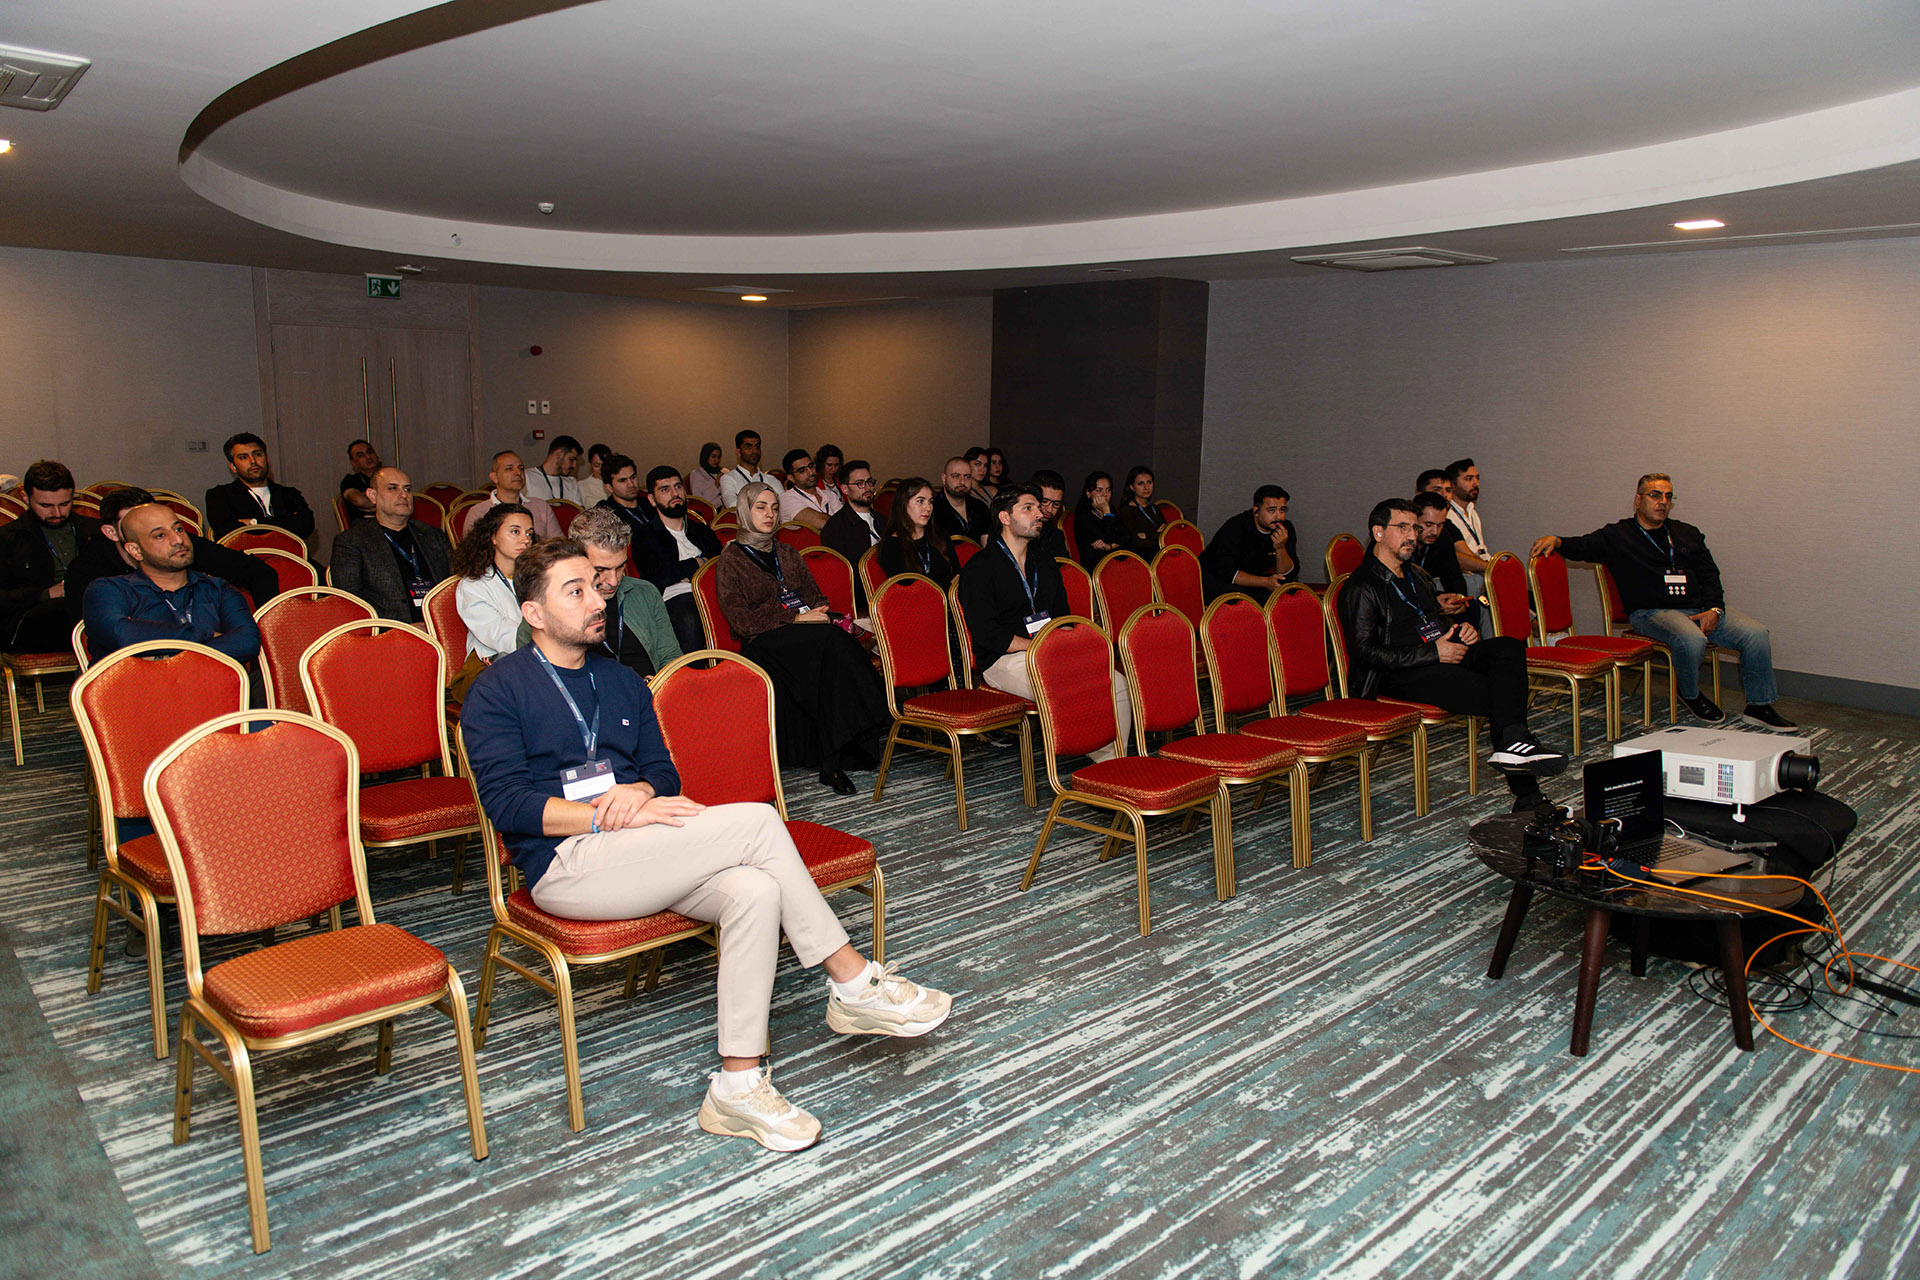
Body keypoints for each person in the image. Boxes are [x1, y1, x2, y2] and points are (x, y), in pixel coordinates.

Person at [461, 538, 949, 1153]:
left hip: (642, 848)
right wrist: (604, 814)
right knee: (758, 823)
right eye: (576, 591)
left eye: (597, 585)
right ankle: (852, 981)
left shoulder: (621, 680)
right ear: (533, 612)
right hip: (567, 864)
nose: (598, 600)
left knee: (755, 889)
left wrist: (640, 793)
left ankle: (737, 1086)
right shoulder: (499, 690)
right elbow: (507, 804)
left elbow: (663, 775)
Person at [1339, 499, 1565, 808]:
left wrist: (1459, 630)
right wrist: (1433, 653)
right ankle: (1528, 793)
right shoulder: (1361, 586)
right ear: (1378, 533)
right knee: (1498, 693)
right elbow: (1365, 653)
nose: (1412, 536)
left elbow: (1431, 621)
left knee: (1508, 647)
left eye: (1414, 528)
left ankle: (1514, 742)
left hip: (1439, 653)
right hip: (1395, 673)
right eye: (1402, 528)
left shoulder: (1416, 576)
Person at [1530, 473, 1795, 729]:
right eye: (1655, 495)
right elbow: (1582, 546)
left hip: (1698, 609)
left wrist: (1714, 609)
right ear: (1638, 500)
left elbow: (1709, 575)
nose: (1663, 502)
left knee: (1756, 634)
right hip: (1651, 612)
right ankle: (1690, 694)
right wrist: (1557, 540)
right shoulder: (1619, 535)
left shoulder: (1687, 533)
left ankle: (1759, 706)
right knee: (1692, 639)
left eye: (1668, 496)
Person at [716, 483, 890, 794]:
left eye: (774, 508)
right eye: (760, 507)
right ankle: (876, 711)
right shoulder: (731, 560)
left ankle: (833, 759)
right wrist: (795, 617)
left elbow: (815, 596)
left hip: (805, 636)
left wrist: (815, 611)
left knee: (831, 646)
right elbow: (741, 621)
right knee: (833, 643)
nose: (770, 514)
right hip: (763, 641)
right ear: (743, 511)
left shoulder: (786, 552)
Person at [960, 485, 1132, 761]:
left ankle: (1115, 762)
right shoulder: (980, 568)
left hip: (1050, 653)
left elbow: (1062, 617)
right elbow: (988, 634)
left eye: (1038, 508)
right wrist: (1040, 647)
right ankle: (1107, 764)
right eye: (1028, 508)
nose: (1039, 514)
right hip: (1004, 660)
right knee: (1068, 683)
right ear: (1005, 517)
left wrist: (1065, 648)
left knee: (1115, 681)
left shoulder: (1044, 562)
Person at [66, 486, 278, 623]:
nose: (175, 539)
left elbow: (259, 572)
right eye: (134, 521)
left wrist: (268, 629)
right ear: (111, 532)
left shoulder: (180, 545)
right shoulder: (87, 571)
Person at [81, 501, 259, 663]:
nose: (178, 540)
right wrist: (204, 635)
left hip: (215, 687)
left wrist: (165, 659)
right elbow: (121, 634)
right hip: (139, 689)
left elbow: (246, 643)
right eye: (160, 535)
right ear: (135, 551)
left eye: (179, 529)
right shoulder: (109, 590)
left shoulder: (218, 588)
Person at [329, 467, 452, 623]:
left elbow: (455, 583)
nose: (403, 495)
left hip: (441, 625)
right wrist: (402, 628)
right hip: (389, 630)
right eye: (393, 488)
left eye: (407, 489)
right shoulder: (352, 541)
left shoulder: (433, 535)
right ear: (373, 496)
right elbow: (351, 601)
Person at [1, 460, 96, 653]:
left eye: (65, 504)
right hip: (32, 617)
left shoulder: (94, 530)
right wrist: (45, 594)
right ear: (26, 498)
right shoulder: (8, 538)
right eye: (45, 505)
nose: (57, 513)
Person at [632, 466, 724, 655]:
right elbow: (658, 575)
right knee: (689, 618)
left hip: (712, 591)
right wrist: (697, 563)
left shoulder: (701, 530)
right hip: (676, 598)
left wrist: (683, 571)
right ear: (652, 499)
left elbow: (720, 563)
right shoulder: (645, 535)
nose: (675, 494)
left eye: (678, 487)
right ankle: (693, 672)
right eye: (665, 489)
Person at [452, 503, 535, 661]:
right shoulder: (473, 585)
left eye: (529, 534)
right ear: (493, 536)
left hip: (537, 654)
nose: (525, 540)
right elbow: (502, 637)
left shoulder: (536, 576)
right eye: (515, 532)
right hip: (494, 662)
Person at [202, 432, 316, 543]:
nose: (253, 461)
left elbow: (306, 526)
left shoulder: (289, 494)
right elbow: (228, 532)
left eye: (257, 454)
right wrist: (286, 521)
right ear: (233, 467)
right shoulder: (219, 495)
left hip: (291, 555)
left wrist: (253, 522)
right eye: (243, 457)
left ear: (267, 459)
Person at [1200, 484, 1298, 600]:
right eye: (1271, 510)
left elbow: (1287, 575)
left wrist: (1281, 548)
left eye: (1282, 510)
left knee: (1290, 593)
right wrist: (1265, 582)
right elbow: (1225, 571)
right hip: (1215, 577)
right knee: (1238, 595)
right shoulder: (1236, 527)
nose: (1279, 516)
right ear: (1256, 511)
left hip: (1252, 578)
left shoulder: (1285, 529)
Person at [1410, 492, 1480, 631]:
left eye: (1440, 525)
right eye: (1428, 524)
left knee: (1470, 607)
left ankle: (1462, 643)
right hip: (1406, 602)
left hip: (1430, 598)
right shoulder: (1400, 541)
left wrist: (1458, 599)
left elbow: (1454, 577)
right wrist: (1434, 602)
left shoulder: (1443, 538)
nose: (1434, 532)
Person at [820, 459, 882, 605]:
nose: (868, 487)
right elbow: (842, 577)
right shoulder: (835, 527)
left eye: (869, 482)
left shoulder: (884, 521)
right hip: (861, 597)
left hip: (888, 588)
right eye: (860, 483)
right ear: (845, 489)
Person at [877, 477, 958, 588]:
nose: (928, 508)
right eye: (920, 501)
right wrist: (946, 587)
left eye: (930, 502)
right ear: (903, 504)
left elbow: (957, 575)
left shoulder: (940, 535)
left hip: (948, 598)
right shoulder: (892, 545)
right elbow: (904, 590)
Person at [460, 451, 561, 539]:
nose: (518, 473)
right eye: (509, 469)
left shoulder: (541, 507)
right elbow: (473, 550)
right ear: (494, 477)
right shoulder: (479, 512)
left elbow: (559, 544)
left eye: (521, 468)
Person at [1445, 458, 1492, 600]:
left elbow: (1480, 549)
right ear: (1452, 484)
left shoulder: (1472, 512)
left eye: (1477, 478)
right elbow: (1456, 557)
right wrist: (1490, 572)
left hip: (1484, 572)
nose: (1475, 483)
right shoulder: (1447, 516)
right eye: (1468, 479)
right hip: (1468, 577)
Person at [1072, 471, 1128, 570]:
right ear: (1088, 493)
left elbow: (1126, 537)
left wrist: (1110, 546)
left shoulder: (1112, 510)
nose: (1105, 495)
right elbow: (1108, 538)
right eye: (1099, 490)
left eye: (1108, 490)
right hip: (1095, 563)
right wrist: (1106, 512)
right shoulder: (1083, 513)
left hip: (1115, 557)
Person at [933, 456, 991, 546]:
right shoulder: (932, 509)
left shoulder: (980, 507)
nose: (962, 482)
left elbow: (986, 544)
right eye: (956, 476)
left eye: (967, 477)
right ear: (944, 479)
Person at [596, 454, 654, 543]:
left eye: (633, 477)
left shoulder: (648, 502)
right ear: (609, 488)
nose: (631, 484)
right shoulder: (606, 514)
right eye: (623, 481)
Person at [718, 430, 781, 508]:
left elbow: (784, 506)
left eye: (757, 447)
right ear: (738, 452)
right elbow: (732, 506)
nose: (755, 451)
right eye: (749, 447)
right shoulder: (728, 478)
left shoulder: (771, 480)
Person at [777, 450, 834, 531]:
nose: (810, 472)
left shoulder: (830, 495)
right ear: (791, 478)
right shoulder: (786, 499)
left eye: (811, 466)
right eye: (802, 471)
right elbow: (821, 522)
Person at [1117, 466, 1164, 558]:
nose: (1146, 487)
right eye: (1141, 484)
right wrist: (1157, 535)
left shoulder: (1155, 508)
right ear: (1132, 487)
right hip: (1141, 556)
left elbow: (1167, 535)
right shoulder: (1127, 510)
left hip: (1160, 552)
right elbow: (1136, 542)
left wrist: (1146, 535)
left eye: (1149, 482)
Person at [523, 435, 582, 505]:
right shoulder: (526, 477)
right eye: (571, 459)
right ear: (558, 454)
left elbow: (578, 510)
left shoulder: (571, 483)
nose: (574, 465)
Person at [1030, 469, 1070, 565]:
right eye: (1044, 501)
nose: (1050, 509)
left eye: (1056, 504)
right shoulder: (1017, 529)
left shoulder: (1056, 535)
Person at [340, 439, 382, 523]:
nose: (368, 457)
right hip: (364, 525)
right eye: (360, 455)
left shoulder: (390, 476)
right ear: (353, 462)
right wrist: (389, 504)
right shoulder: (350, 480)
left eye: (370, 452)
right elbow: (360, 501)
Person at [689, 441, 726, 508]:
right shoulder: (696, 474)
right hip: (708, 510)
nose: (716, 460)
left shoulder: (721, 471)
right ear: (706, 456)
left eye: (718, 457)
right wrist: (716, 485)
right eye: (713, 456)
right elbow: (700, 501)